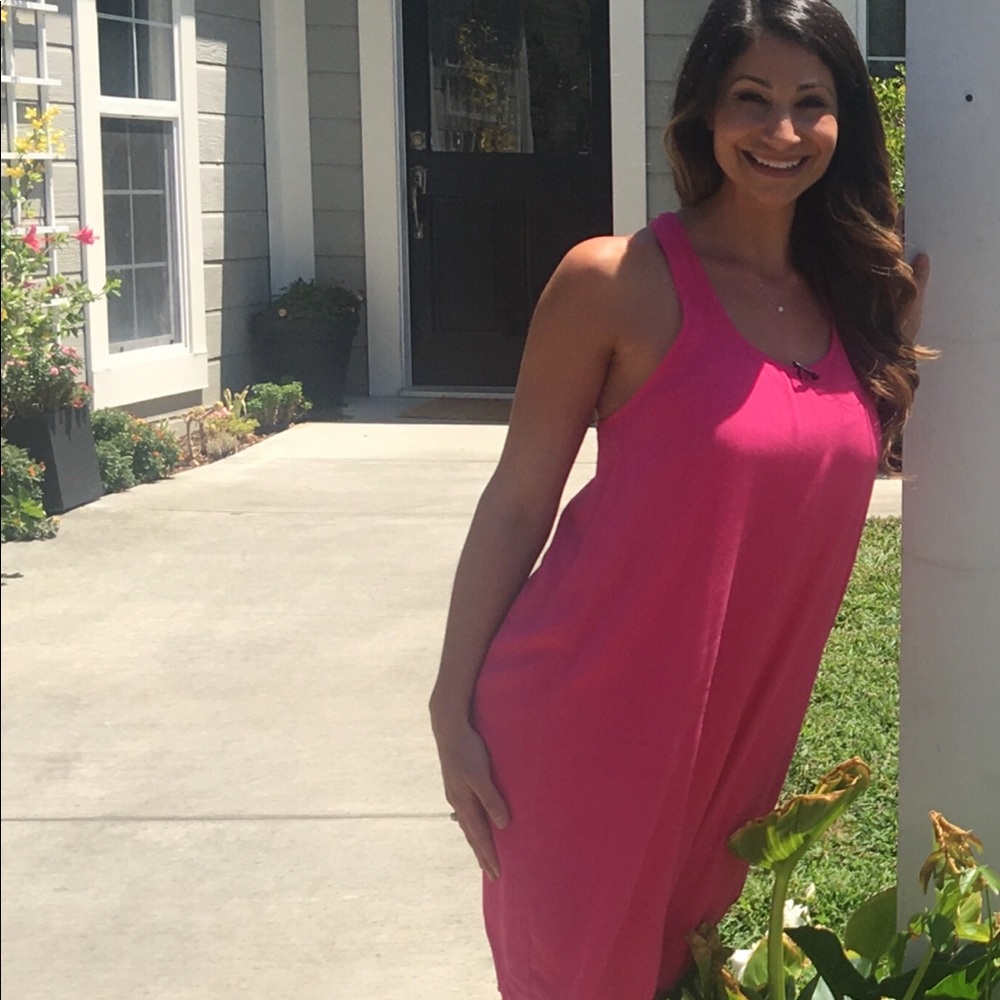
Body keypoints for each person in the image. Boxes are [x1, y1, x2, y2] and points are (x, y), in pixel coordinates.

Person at [429, 2, 932, 998]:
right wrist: (451, 705)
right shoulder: (614, 281)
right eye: (751, 99)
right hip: (580, 721)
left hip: (733, 736)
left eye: (810, 103)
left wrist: (889, 363)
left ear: (845, 124)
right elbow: (517, 503)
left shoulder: (855, 295)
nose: (781, 131)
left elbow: (810, 479)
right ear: (703, 112)